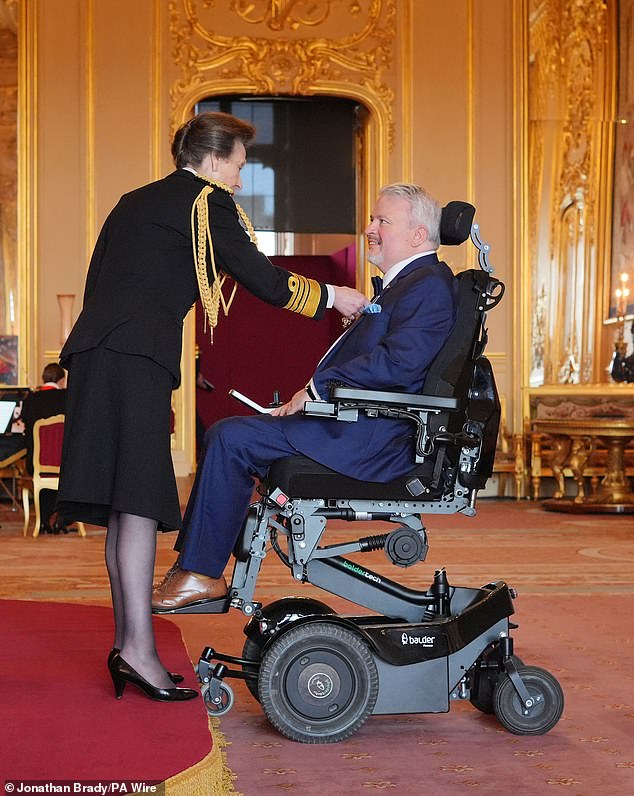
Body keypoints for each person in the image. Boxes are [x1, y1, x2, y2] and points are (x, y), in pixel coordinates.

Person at [56, 111, 368, 703]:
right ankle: (138, 651)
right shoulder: (204, 201)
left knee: (127, 503)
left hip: (100, 355)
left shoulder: (136, 199)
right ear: (216, 158)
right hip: (135, 358)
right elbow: (263, 279)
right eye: (241, 165)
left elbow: (103, 282)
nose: (242, 179)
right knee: (140, 501)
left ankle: (131, 648)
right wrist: (335, 295)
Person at [152, 182, 458, 612]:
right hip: (357, 425)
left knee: (229, 438)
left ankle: (200, 574)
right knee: (234, 436)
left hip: (372, 440)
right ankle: (197, 571)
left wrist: (317, 391)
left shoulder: (426, 287)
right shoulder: (412, 284)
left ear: (417, 235)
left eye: (382, 221)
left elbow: (400, 366)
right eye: (372, 219)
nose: (369, 228)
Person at [19, 362, 68, 533]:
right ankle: (59, 517)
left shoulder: (31, 400)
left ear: (43, 379)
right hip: (65, 465)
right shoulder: (68, 397)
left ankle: (44, 518)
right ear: (62, 380)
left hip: (37, 464)